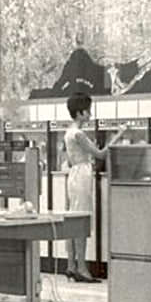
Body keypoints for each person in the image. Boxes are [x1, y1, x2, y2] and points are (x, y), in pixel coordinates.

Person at [62, 90, 108, 283]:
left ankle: (71, 265)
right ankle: (82, 268)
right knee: (81, 221)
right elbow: (100, 155)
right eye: (87, 111)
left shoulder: (68, 133)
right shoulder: (79, 134)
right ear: (80, 112)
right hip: (82, 175)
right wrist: (117, 138)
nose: (90, 114)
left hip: (73, 175)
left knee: (73, 219)